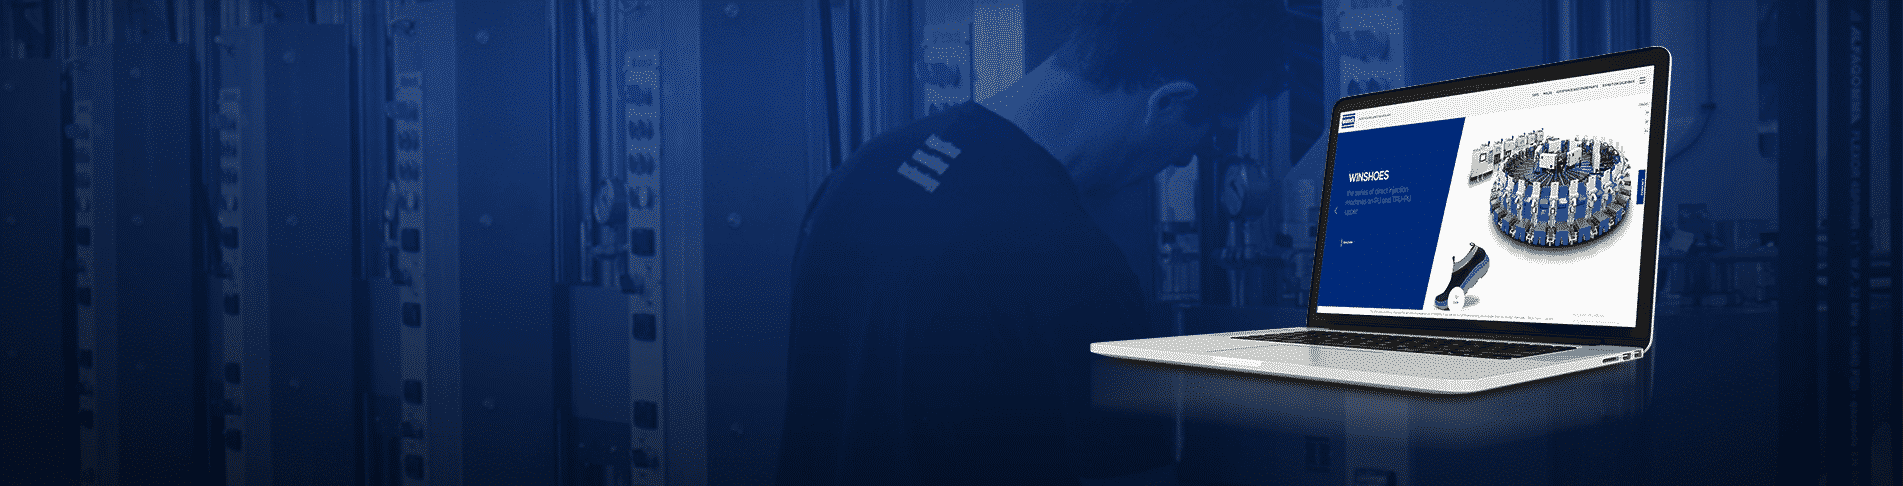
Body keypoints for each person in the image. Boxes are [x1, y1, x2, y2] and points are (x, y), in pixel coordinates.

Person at [779, 1, 1285, 484]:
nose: (1183, 161)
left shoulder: (861, 174)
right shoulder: (1075, 265)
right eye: (1208, 137)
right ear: (1169, 101)